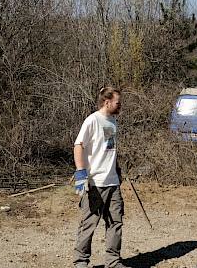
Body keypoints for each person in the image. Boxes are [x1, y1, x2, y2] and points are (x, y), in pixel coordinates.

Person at [73, 87, 130, 268]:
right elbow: (78, 146)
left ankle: (113, 262)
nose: (120, 105)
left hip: (112, 183)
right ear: (107, 102)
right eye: (117, 102)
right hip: (95, 184)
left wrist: (116, 169)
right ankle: (81, 262)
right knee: (89, 224)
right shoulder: (92, 120)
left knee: (115, 223)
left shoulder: (113, 121)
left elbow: (108, 149)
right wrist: (81, 173)